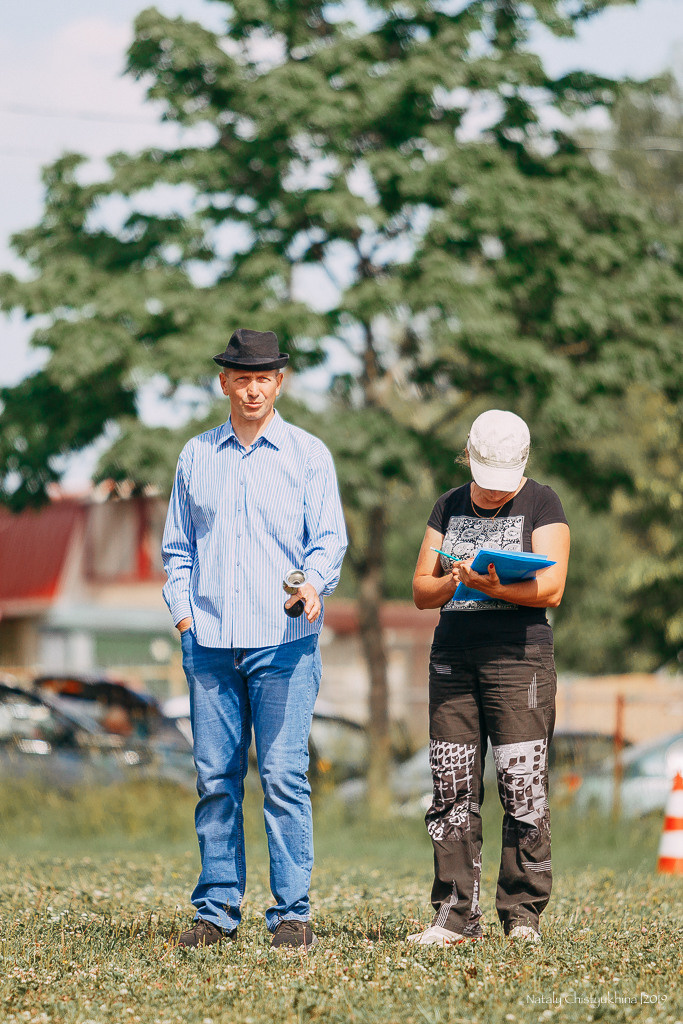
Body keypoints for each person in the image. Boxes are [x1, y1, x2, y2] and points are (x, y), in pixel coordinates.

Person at [161, 328, 347, 951]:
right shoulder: (196, 456)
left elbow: (328, 541)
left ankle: (292, 912)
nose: (252, 389)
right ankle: (216, 911)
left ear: (280, 382)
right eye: (241, 378)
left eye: (263, 377)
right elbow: (177, 549)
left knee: (283, 776)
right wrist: (185, 619)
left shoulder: (308, 455)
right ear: (224, 383)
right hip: (209, 642)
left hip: (285, 641)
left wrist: (315, 584)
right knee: (215, 778)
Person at [410, 409, 570, 946]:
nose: (493, 492)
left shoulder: (542, 502)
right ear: (470, 460)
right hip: (453, 658)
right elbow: (419, 590)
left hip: (520, 658)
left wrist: (490, 584)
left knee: (521, 787)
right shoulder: (448, 505)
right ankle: (454, 916)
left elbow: (551, 590)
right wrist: (456, 581)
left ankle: (522, 913)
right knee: (451, 787)